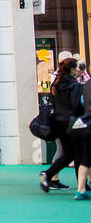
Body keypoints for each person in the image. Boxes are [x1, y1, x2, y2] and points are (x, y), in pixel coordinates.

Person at [42, 55, 83, 192]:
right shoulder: (74, 85)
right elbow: (76, 105)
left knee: (69, 153)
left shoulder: (56, 84)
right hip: (71, 122)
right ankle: (82, 186)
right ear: (72, 69)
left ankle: (48, 174)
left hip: (58, 121)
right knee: (78, 154)